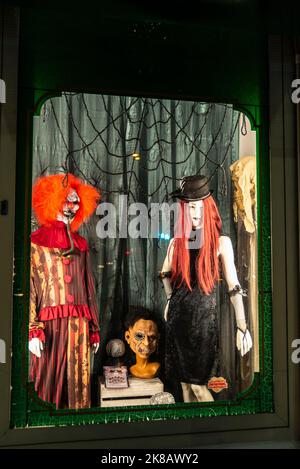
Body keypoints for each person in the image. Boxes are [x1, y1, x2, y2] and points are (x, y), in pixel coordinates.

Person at [160, 175, 253, 402]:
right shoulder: (177, 243)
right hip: (178, 320)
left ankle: (206, 432)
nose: (195, 213)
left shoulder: (221, 243)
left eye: (200, 207)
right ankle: (188, 433)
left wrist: (242, 326)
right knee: (185, 388)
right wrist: (171, 299)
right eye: (191, 207)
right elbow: (164, 274)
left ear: (209, 207)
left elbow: (233, 286)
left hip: (203, 324)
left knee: (200, 388)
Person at [29, 173, 100, 409]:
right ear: (52, 200)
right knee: (46, 382)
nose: (73, 207)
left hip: (78, 327)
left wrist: (93, 328)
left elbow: (88, 288)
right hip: (47, 328)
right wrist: (31, 329)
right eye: (68, 201)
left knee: (77, 385)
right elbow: (29, 287)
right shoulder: (36, 242)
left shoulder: (80, 244)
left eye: (76, 202)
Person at [124, 307, 160, 379]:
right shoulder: (127, 369)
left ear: (158, 340)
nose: (146, 343)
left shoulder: (156, 368)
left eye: (152, 337)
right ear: (128, 337)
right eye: (139, 336)